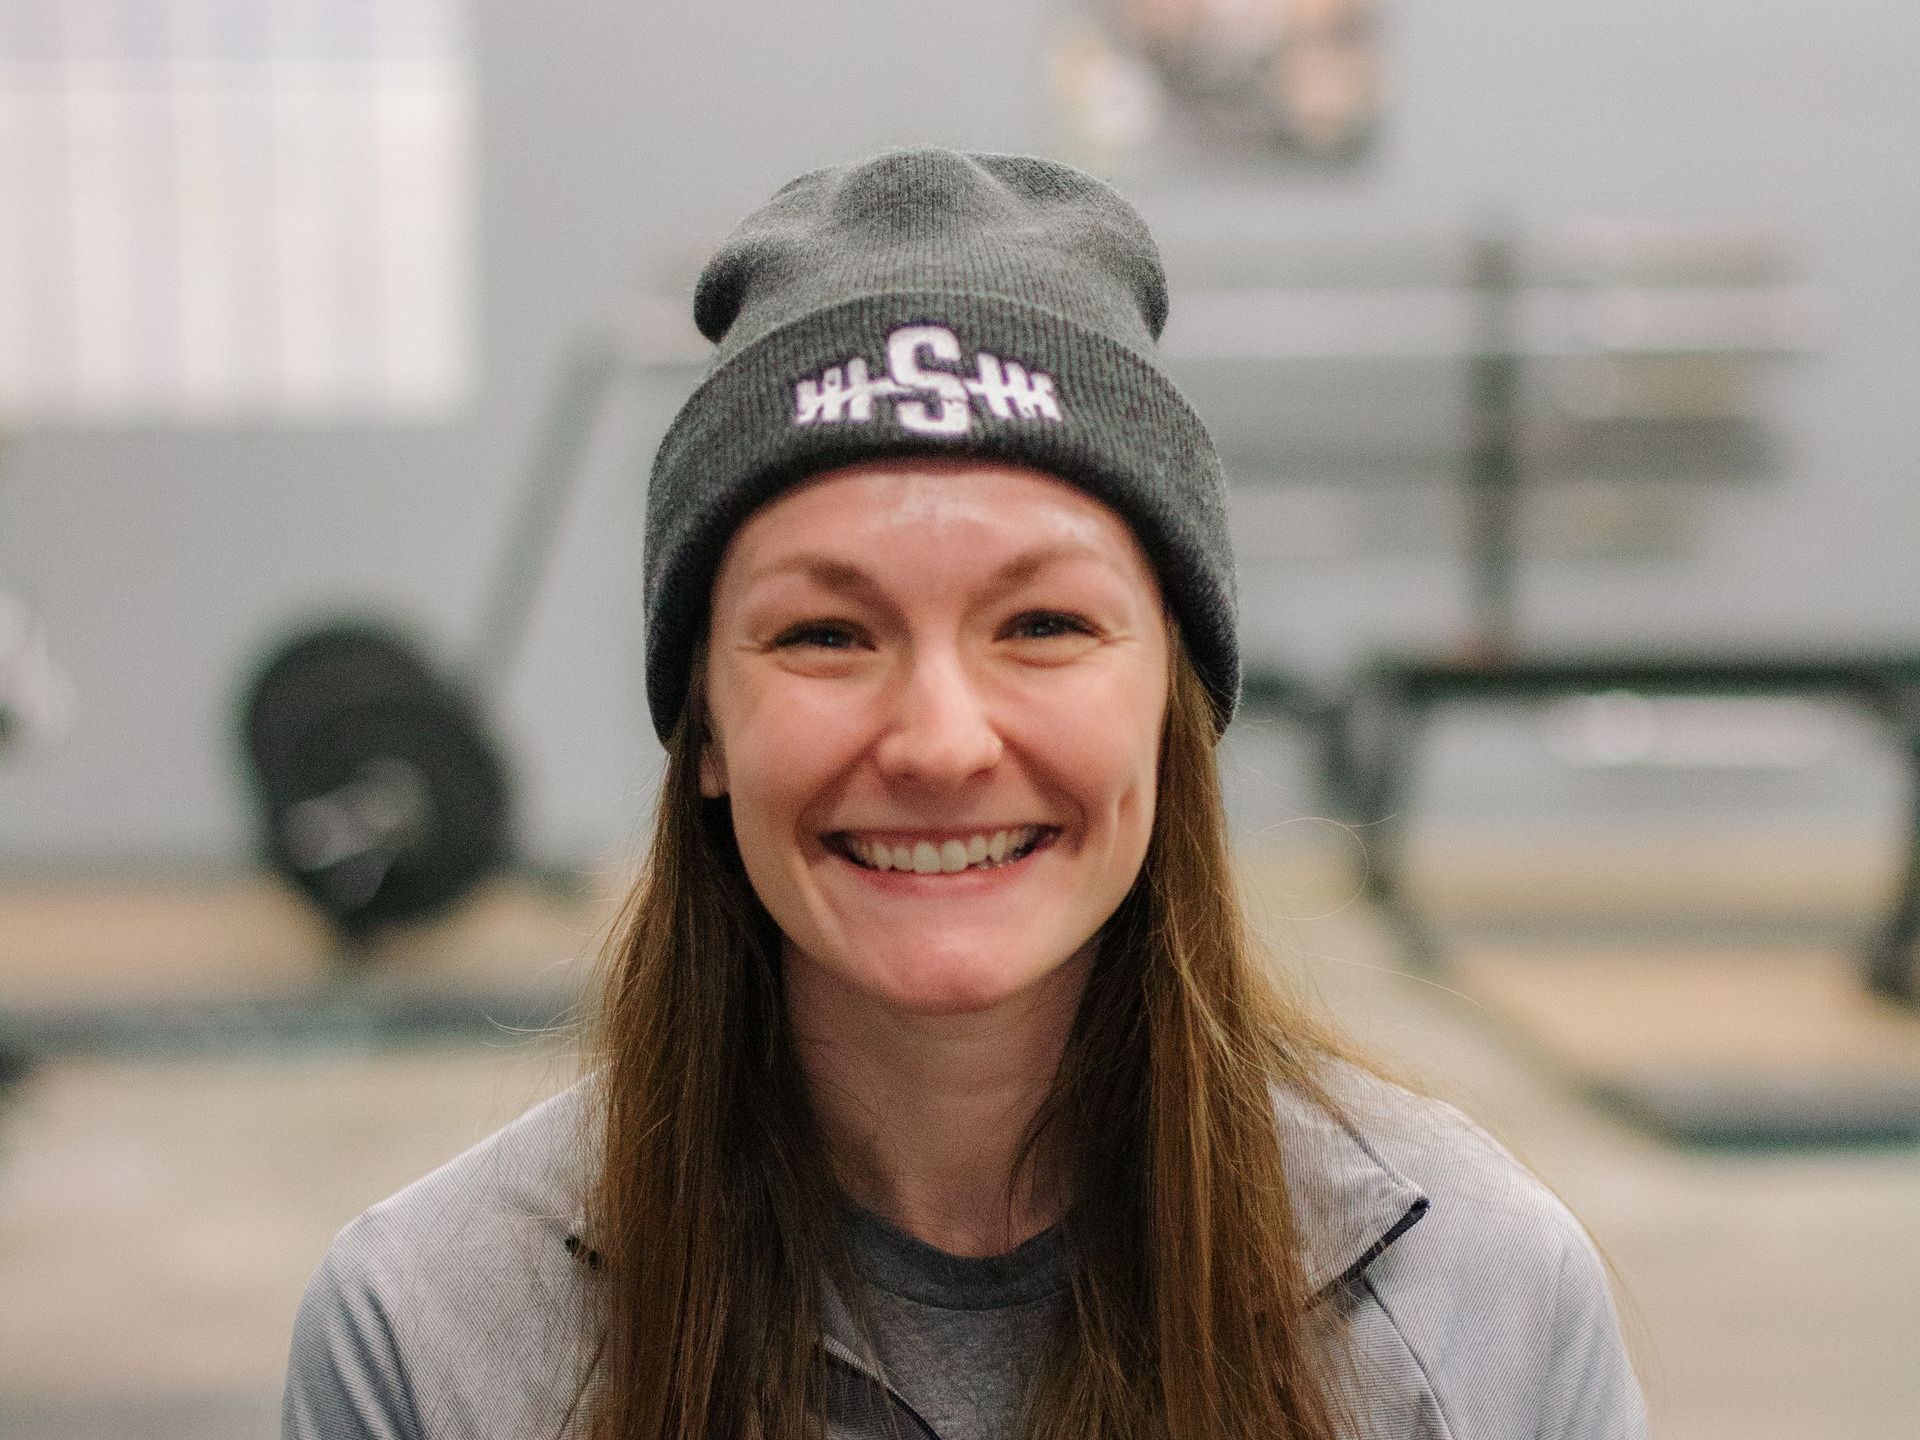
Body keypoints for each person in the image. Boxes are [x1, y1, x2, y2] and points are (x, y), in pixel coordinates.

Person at [282, 148, 1646, 1440]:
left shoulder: (1482, 1307)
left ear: (1170, 709)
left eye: (1043, 625)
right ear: (703, 729)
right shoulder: (432, 1335)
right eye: (826, 635)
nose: (939, 743)